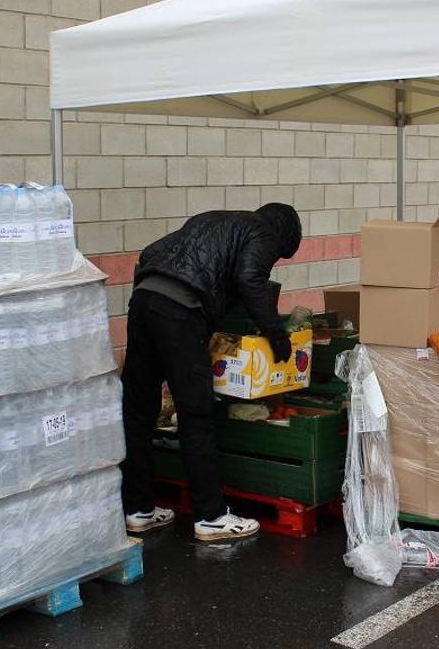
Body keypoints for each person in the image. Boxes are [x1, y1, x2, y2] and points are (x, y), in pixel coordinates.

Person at [120, 203, 303, 542]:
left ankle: (138, 509)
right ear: (282, 235)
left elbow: (150, 253)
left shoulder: (215, 219)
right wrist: (276, 336)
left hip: (144, 302)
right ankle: (211, 517)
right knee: (196, 412)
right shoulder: (261, 231)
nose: (273, 259)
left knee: (138, 411)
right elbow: (250, 278)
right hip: (181, 310)